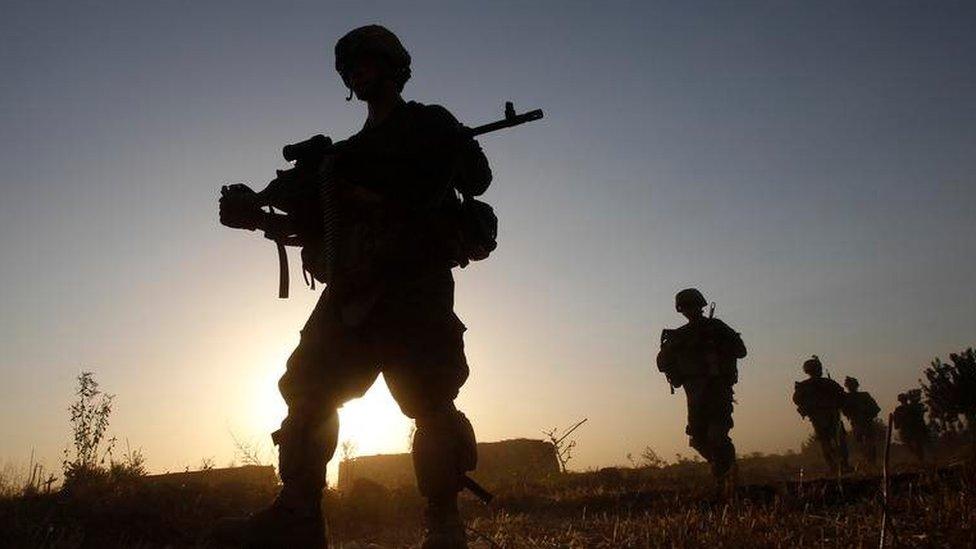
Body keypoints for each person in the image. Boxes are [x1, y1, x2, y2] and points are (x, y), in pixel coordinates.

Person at [218, 25, 492, 548]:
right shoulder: (338, 157)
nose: (357, 73)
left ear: (394, 67)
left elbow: (475, 181)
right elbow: (314, 224)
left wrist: (449, 145)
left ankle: (444, 525)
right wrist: (257, 214)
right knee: (306, 389)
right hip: (351, 293)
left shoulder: (428, 125)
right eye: (350, 67)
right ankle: (298, 516)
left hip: (413, 286)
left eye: (367, 62)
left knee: (430, 398)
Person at [656, 288, 747, 493]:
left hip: (717, 390)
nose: (690, 310)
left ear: (701, 306)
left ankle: (727, 476)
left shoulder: (716, 327)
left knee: (717, 435)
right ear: (681, 310)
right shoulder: (679, 336)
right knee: (697, 439)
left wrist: (715, 345)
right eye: (686, 307)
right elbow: (662, 362)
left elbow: (741, 351)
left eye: (693, 306)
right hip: (695, 393)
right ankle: (723, 469)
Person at [792, 355, 850, 473]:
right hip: (831, 414)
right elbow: (843, 397)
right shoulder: (828, 383)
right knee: (838, 439)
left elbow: (797, 400)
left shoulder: (804, 386)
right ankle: (843, 465)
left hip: (818, 417)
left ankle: (833, 466)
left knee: (825, 442)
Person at [841, 376, 882, 466]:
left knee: (868, 444)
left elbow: (875, 409)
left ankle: (871, 462)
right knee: (863, 444)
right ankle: (869, 461)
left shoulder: (861, 396)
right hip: (859, 423)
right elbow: (844, 410)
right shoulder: (848, 397)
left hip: (864, 423)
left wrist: (866, 414)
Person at [893, 390, 929, 463]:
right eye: (902, 399)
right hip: (906, 430)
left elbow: (918, 418)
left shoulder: (911, 408)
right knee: (910, 446)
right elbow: (896, 421)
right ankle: (919, 458)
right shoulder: (899, 409)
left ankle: (921, 459)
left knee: (917, 445)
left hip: (913, 429)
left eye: (903, 399)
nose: (903, 401)